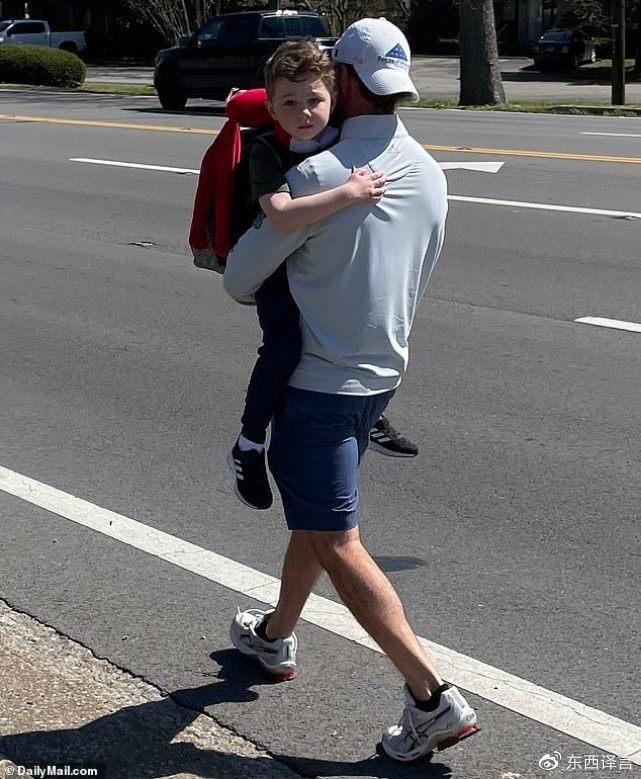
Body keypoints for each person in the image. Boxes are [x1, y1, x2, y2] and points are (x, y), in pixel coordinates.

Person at [224, 19, 479, 762]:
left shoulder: (316, 178)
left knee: (337, 539)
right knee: (317, 513)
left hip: (319, 385)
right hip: (381, 378)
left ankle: (431, 697)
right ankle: (274, 635)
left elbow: (240, 279)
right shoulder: (428, 172)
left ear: (345, 82)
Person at [225, 42, 419, 512]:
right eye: (289, 103)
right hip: (276, 273)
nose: (304, 112)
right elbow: (282, 215)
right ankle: (249, 442)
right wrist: (348, 193)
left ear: (335, 97)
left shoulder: (341, 141)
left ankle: (368, 416)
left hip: (319, 266)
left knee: (355, 325)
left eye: (314, 100)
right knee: (285, 348)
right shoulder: (266, 152)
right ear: (272, 108)